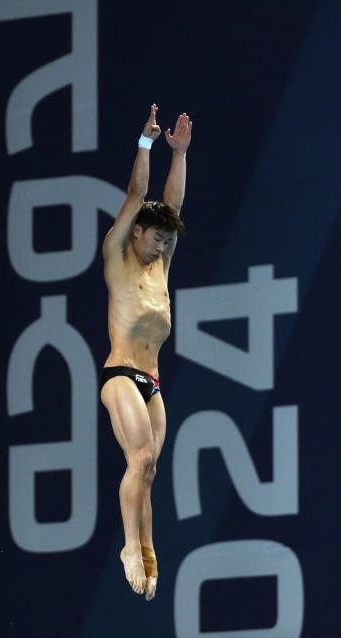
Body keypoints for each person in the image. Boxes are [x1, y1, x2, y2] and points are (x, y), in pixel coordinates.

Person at [99, 104, 191, 599]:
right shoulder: (119, 256)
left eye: (166, 243)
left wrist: (181, 154)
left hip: (152, 382)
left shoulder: (160, 268)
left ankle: (147, 547)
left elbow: (171, 210)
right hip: (119, 375)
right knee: (139, 456)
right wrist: (148, 144)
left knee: (150, 468)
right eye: (156, 240)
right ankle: (130, 548)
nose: (161, 248)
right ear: (136, 232)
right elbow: (140, 195)